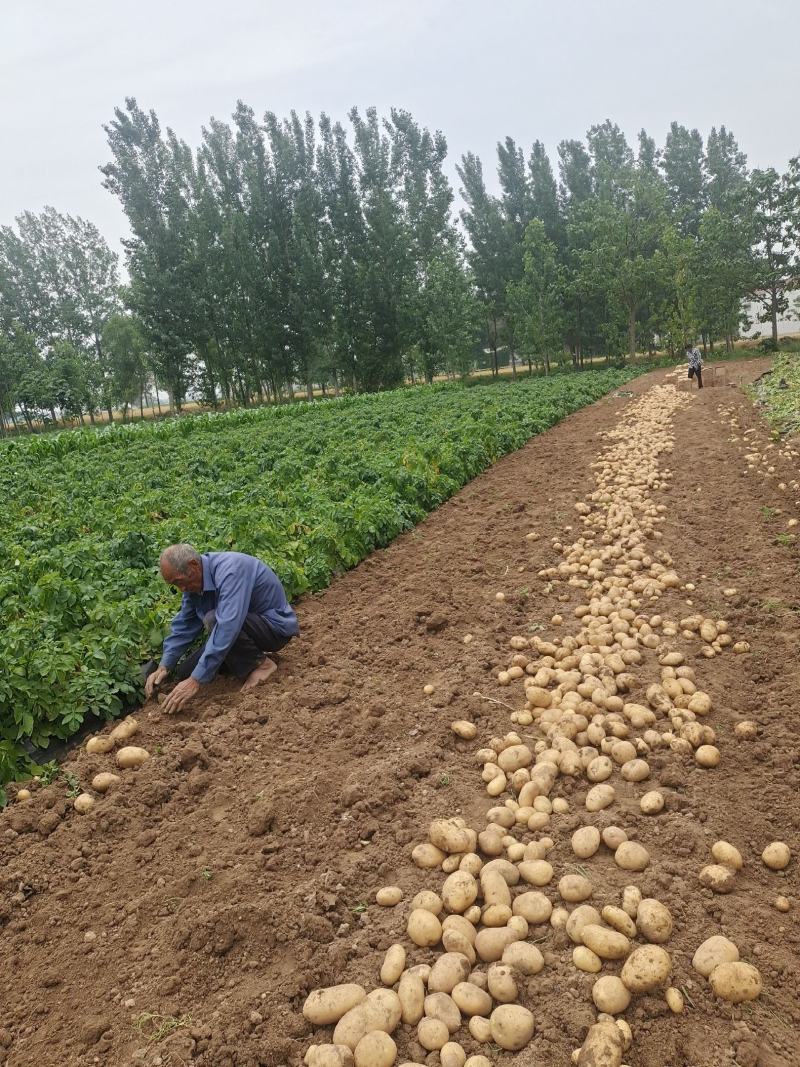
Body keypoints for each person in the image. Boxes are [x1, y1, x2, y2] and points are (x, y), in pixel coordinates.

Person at [144, 544, 299, 713]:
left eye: (180, 582)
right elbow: (185, 625)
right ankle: (237, 662)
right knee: (186, 671)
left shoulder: (231, 570)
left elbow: (228, 625)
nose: (181, 589)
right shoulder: (194, 583)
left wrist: (196, 680)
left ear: (194, 565)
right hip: (238, 629)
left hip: (272, 629)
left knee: (213, 620)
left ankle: (262, 665)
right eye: (175, 585)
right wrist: (165, 665)